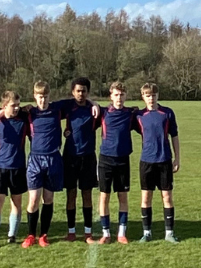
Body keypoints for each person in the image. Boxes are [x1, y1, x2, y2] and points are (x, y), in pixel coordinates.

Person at [21, 80, 69, 247]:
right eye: (40, 97)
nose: (43, 100)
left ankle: (44, 235)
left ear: (50, 96)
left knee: (48, 198)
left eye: (46, 97)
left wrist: (92, 103)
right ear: (34, 96)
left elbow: (79, 100)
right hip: (35, 159)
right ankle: (30, 235)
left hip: (53, 159)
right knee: (33, 199)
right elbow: (7, 109)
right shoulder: (28, 112)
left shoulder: (57, 109)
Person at [135, 82, 181, 243]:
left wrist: (177, 158)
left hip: (164, 160)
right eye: (148, 95)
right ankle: (146, 232)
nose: (151, 98)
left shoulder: (167, 113)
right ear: (143, 97)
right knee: (146, 197)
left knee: (167, 196)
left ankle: (169, 233)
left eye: (153, 95)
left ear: (157, 96)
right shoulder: (139, 115)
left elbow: (174, 136)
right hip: (146, 161)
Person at [97, 81, 139, 244]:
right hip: (105, 159)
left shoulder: (131, 114)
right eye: (116, 94)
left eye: (122, 95)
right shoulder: (103, 112)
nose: (119, 98)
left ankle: (122, 233)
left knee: (122, 196)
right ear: (111, 96)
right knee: (104, 197)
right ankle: (106, 233)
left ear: (126, 96)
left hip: (123, 160)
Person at [0, 91, 29, 248]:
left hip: (18, 167)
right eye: (13, 105)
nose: (17, 108)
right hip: (0, 168)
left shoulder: (23, 119)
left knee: (16, 203)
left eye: (18, 105)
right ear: (5, 106)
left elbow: (31, 108)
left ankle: (12, 235)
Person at [62, 77, 101, 243]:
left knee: (87, 194)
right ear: (72, 92)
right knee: (71, 194)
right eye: (78, 91)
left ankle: (87, 232)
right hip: (70, 157)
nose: (81, 94)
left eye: (84, 91)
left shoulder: (94, 111)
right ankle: (71, 231)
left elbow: (115, 110)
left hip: (88, 157)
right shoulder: (67, 107)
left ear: (88, 92)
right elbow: (45, 107)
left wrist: (95, 104)